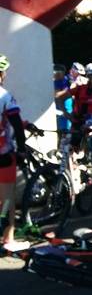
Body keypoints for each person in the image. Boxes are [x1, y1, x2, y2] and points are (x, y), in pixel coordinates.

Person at [0, 55, 28, 250]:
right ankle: (8, 239)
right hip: (3, 153)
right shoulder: (4, 96)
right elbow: (17, 126)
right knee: (7, 198)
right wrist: (22, 150)